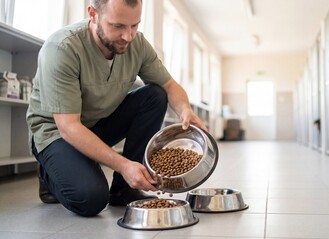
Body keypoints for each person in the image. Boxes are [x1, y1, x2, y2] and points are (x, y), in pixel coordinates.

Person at [26, 0, 207, 217]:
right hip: (57, 133)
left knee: (155, 94)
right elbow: (68, 127)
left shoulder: (137, 44)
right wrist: (123, 165)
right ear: (93, 14)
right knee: (91, 199)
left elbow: (169, 86)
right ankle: (49, 176)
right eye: (118, 26)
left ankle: (124, 190)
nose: (128, 36)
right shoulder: (62, 48)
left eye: (134, 26)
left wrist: (185, 109)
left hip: (97, 123)